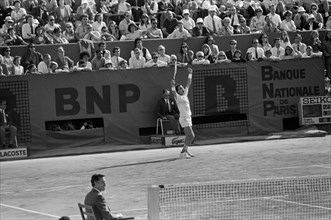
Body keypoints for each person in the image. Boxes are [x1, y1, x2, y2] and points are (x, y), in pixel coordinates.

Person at [171, 68, 195, 158]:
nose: (182, 89)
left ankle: (184, 152)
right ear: (178, 91)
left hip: (189, 117)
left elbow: (188, 83)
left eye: (182, 88)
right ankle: (183, 152)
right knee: (192, 136)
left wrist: (190, 73)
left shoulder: (185, 94)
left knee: (188, 136)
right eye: (180, 88)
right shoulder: (177, 97)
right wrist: (172, 85)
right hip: (184, 118)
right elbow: (173, 91)